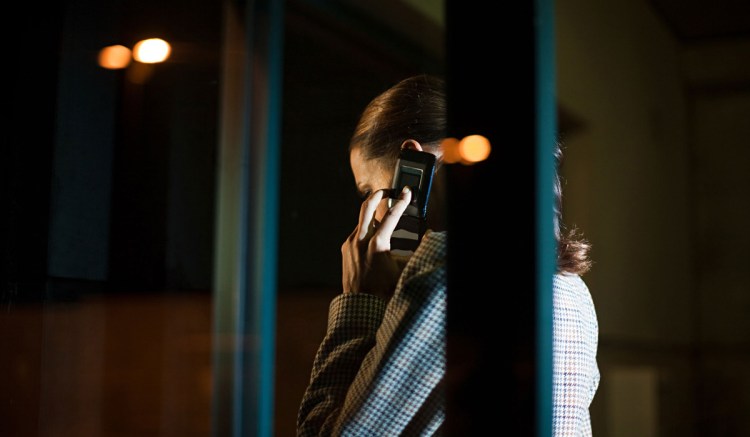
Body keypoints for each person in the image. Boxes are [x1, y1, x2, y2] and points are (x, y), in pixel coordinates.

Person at [296, 74, 599, 436]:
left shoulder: (444, 270)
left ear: (411, 166)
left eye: (368, 191)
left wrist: (357, 301)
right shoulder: (572, 288)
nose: (372, 215)